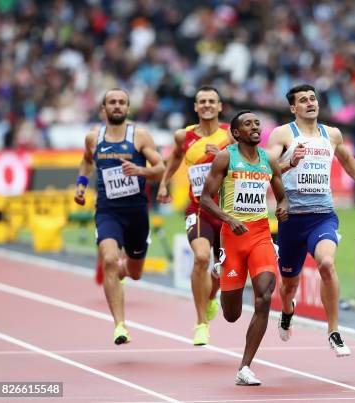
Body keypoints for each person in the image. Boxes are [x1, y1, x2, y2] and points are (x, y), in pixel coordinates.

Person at [266, 84, 355, 357]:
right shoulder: (283, 134)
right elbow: (265, 165)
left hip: (322, 217)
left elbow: (348, 161)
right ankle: (287, 310)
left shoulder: (332, 134)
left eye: (313, 98)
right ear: (293, 108)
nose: (310, 103)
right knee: (289, 286)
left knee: (327, 263)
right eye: (303, 100)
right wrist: (288, 164)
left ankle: (333, 331)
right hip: (291, 220)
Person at [200, 110, 288, 385]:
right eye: (247, 124)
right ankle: (220, 273)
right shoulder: (226, 157)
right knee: (231, 314)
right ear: (236, 133)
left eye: (257, 123)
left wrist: (283, 207)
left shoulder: (268, 160)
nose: (254, 127)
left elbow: (281, 195)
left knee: (264, 296)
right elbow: (205, 199)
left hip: (260, 234)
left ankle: (245, 367)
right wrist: (228, 218)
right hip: (233, 237)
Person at [74, 88, 165, 344]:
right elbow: (85, 162)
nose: (117, 106)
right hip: (107, 211)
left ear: (127, 108)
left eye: (121, 102)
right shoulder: (93, 138)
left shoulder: (140, 136)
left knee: (134, 273)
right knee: (109, 260)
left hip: (136, 213)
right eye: (112, 102)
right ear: (103, 108)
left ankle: (124, 273)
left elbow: (160, 168)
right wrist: (81, 184)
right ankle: (120, 326)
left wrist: (139, 170)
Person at [157, 86, 233, 346]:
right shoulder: (184, 135)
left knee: (222, 268)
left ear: (220, 106)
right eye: (202, 102)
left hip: (226, 212)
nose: (207, 105)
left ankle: (211, 298)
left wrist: (223, 157)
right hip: (199, 209)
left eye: (212, 101)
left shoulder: (231, 135)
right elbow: (175, 159)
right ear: (196, 107)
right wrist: (164, 183)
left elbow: (248, 162)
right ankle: (201, 323)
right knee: (201, 258)